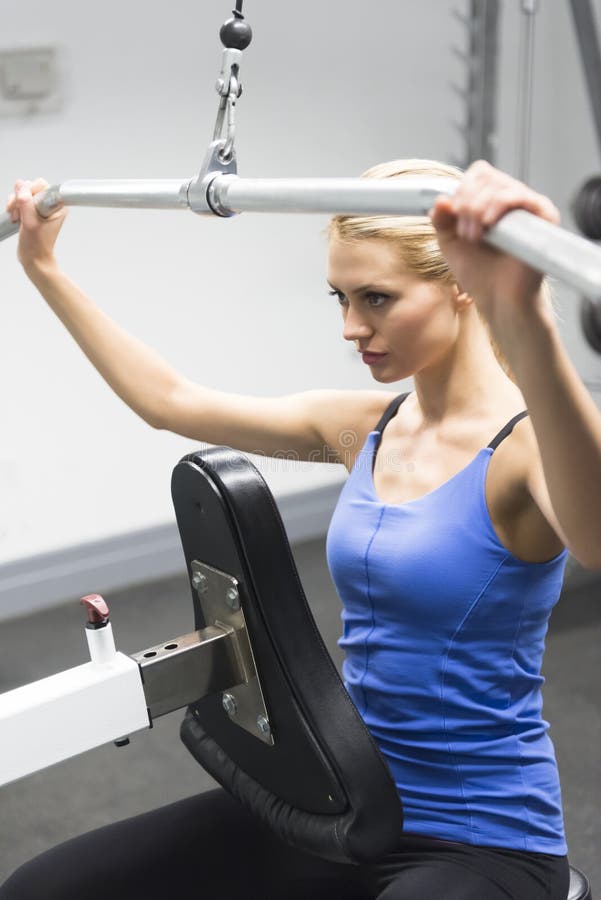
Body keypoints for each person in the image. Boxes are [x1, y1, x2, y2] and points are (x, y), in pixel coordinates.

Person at [2, 158, 600, 900]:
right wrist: (44, 268)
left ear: (461, 282)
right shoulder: (364, 427)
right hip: (337, 799)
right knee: (43, 888)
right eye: (341, 298)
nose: (352, 327)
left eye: (376, 299)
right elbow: (169, 400)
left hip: (476, 836)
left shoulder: (524, 449)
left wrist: (527, 312)